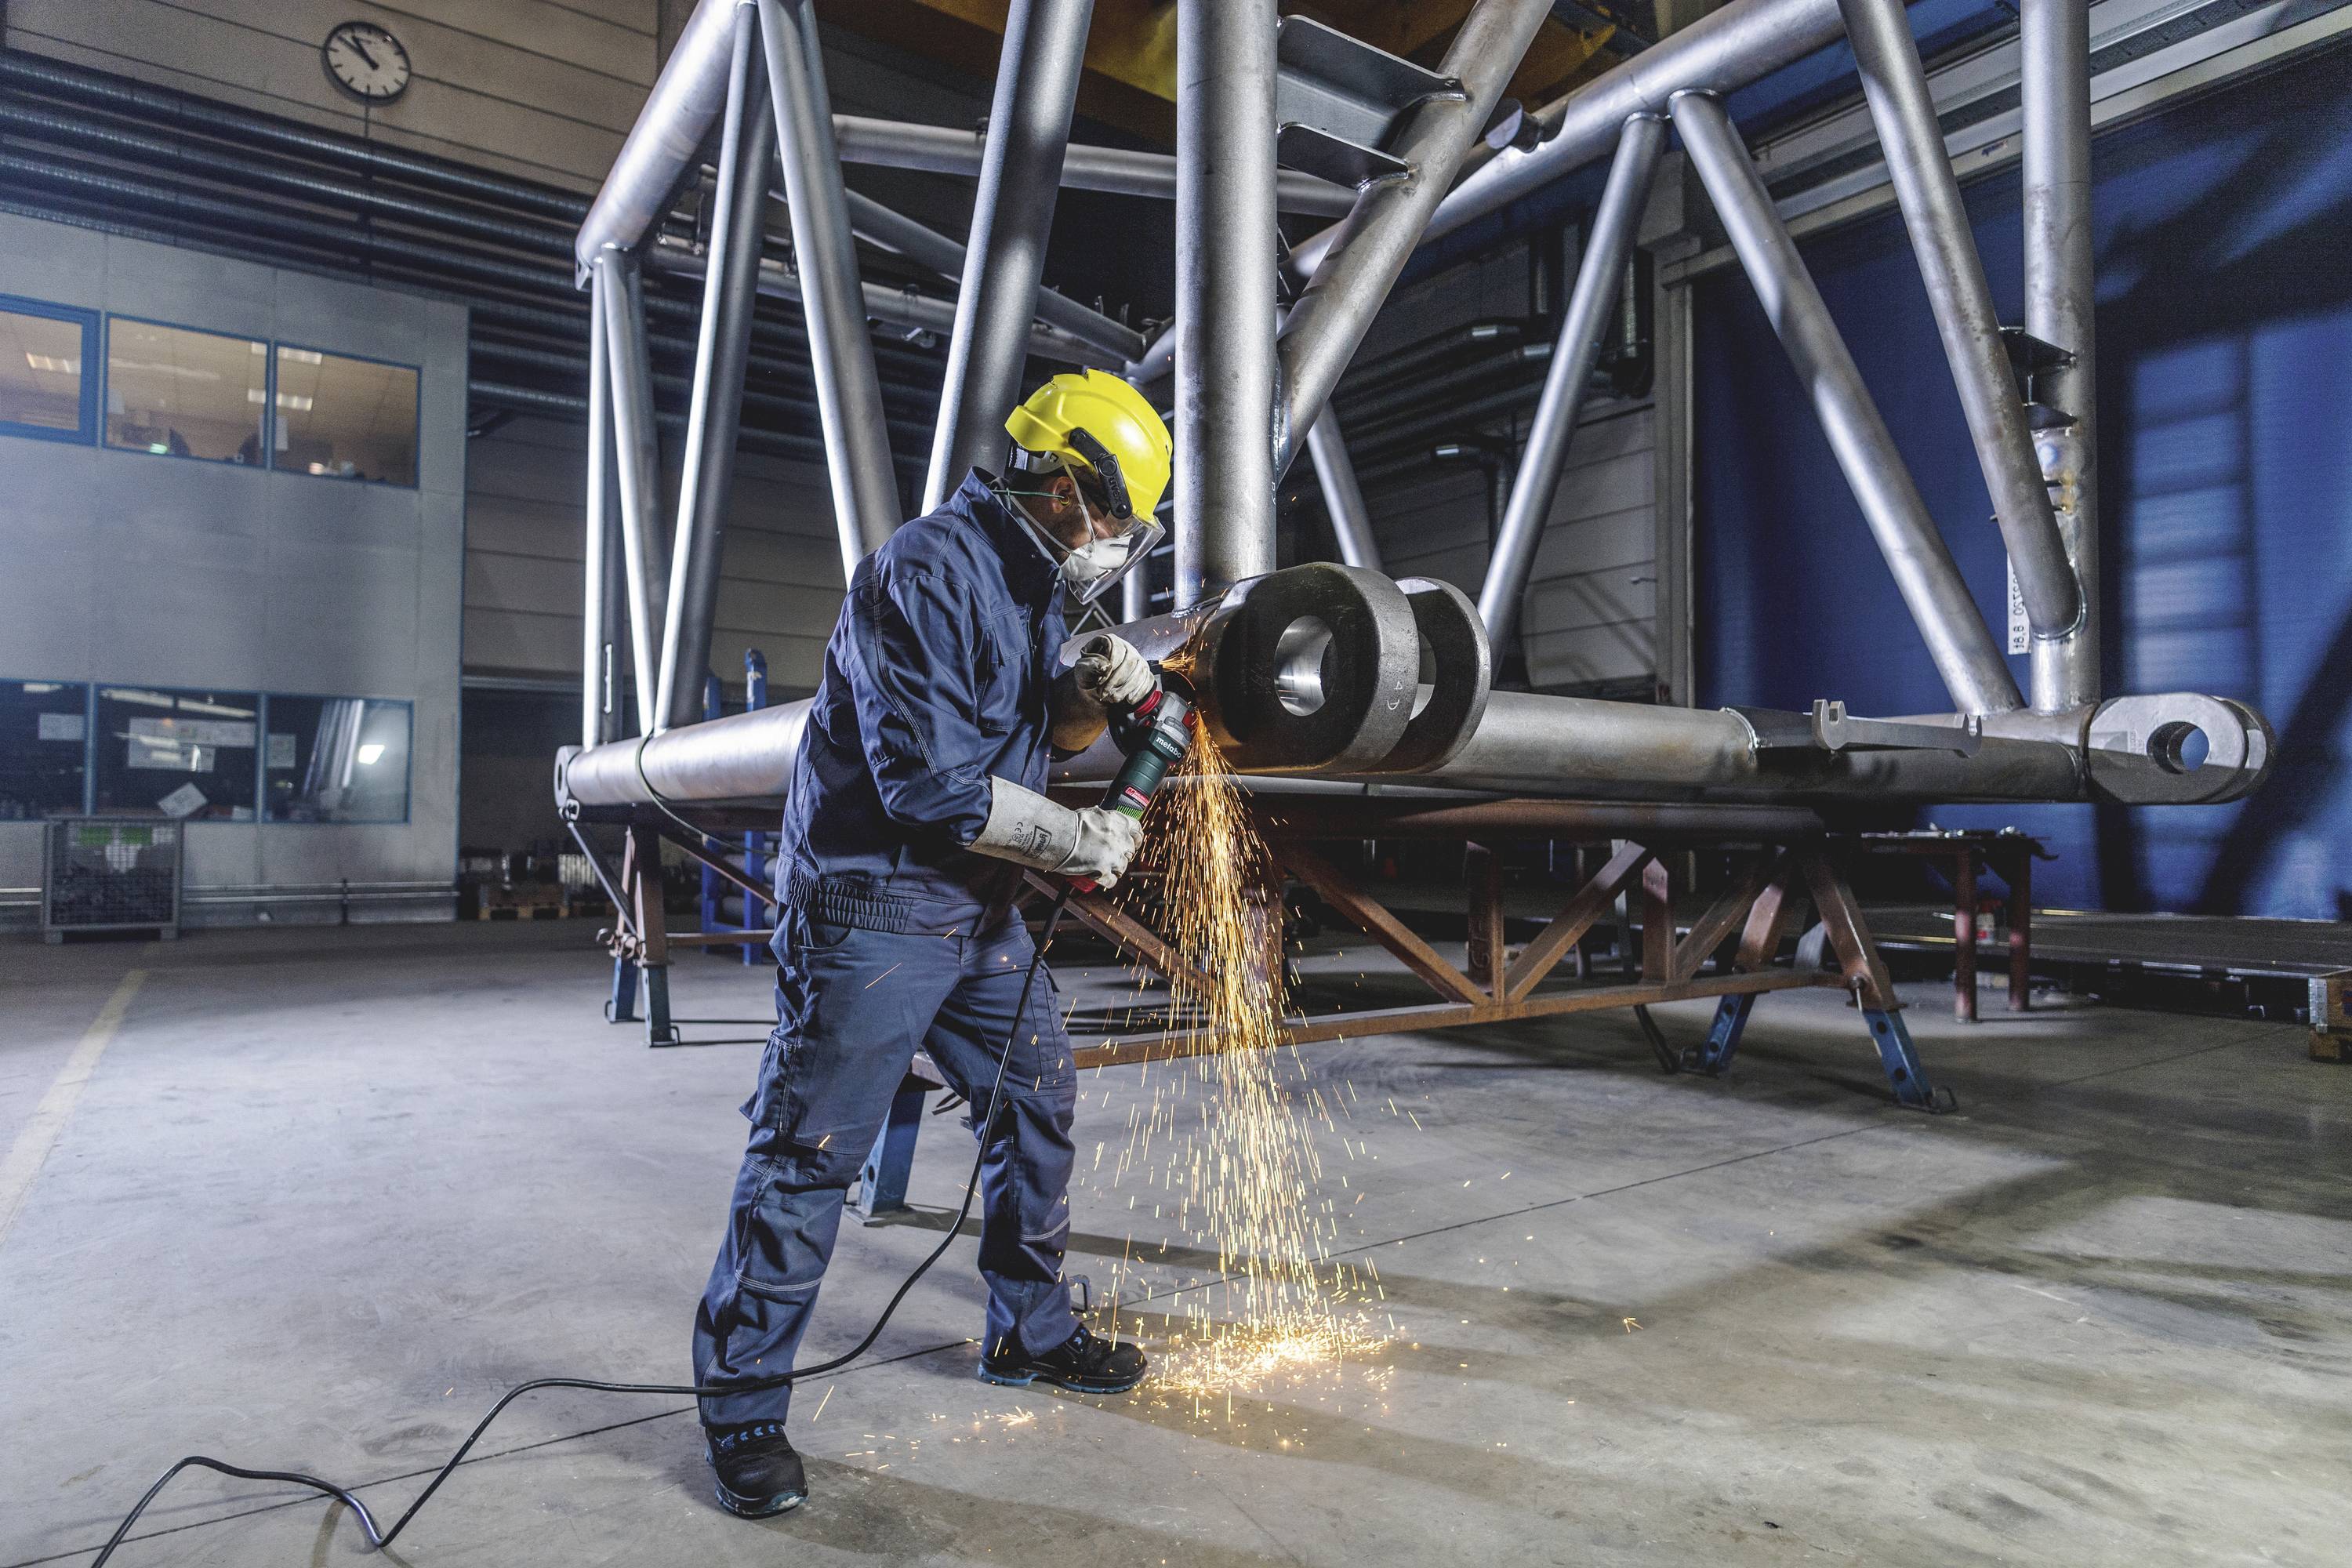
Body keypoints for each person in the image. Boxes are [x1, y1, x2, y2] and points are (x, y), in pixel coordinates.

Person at [691, 370, 1174, 1519]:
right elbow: (929, 786)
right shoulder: (921, 570)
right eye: (1109, 519)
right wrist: (1086, 839)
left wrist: (1100, 692)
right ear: (1061, 487)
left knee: (1040, 1093)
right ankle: (745, 1409)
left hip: (980, 907)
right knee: (813, 1150)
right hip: (875, 901)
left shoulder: (1038, 584)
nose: (1113, 544)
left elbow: (1041, 732)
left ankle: (1031, 1331)